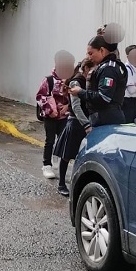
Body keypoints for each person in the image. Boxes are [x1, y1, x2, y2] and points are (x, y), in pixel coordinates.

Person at [53, 59, 94, 196]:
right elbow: (76, 107)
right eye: (93, 68)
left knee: (80, 156)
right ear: (86, 68)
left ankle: (75, 184)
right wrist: (86, 124)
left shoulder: (89, 82)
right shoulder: (76, 82)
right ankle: (61, 184)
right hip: (76, 122)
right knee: (67, 155)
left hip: (86, 122)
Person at [70, 35, 128, 127]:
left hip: (107, 120)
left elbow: (104, 97)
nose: (89, 57)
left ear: (102, 50)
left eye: (91, 53)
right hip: (103, 118)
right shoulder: (105, 67)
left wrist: (80, 92)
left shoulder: (108, 69)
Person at [36, 64, 70, 180]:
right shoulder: (49, 80)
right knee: (49, 140)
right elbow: (40, 96)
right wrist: (50, 110)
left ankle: (57, 161)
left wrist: (67, 107)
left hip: (64, 116)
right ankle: (46, 165)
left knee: (62, 141)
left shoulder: (70, 80)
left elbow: (73, 98)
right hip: (50, 117)